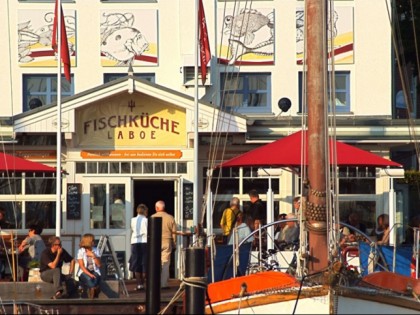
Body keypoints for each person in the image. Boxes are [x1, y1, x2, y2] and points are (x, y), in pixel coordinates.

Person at [151, 200, 176, 289]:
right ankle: (163, 284)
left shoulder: (152, 217)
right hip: (167, 241)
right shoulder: (170, 218)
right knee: (165, 263)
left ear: (156, 208)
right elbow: (174, 233)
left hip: (155, 242)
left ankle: (154, 283)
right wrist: (174, 243)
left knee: (155, 263)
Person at [129, 203, 148, 291]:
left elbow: (132, 229)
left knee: (136, 263)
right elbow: (147, 231)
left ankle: (139, 284)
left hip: (134, 242)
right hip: (144, 242)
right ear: (145, 211)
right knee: (144, 263)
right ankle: (143, 283)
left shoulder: (132, 220)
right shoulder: (146, 220)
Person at [76, 233, 101, 299]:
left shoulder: (96, 250)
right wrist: (89, 274)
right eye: (92, 240)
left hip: (94, 270)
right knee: (89, 279)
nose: (94, 242)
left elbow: (99, 264)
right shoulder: (80, 251)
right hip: (84, 271)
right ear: (88, 242)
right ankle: (94, 290)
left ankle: (93, 290)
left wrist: (93, 256)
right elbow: (82, 266)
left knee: (96, 277)